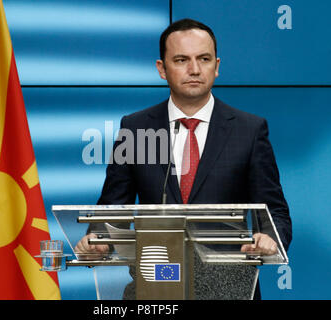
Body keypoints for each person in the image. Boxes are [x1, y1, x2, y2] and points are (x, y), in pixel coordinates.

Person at [75, 18, 292, 299]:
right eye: (181, 60)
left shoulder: (248, 130)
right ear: (162, 69)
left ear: (217, 66)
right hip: (154, 285)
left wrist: (271, 238)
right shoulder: (136, 128)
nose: (194, 69)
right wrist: (100, 239)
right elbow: (112, 207)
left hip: (230, 289)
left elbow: (274, 210)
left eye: (204, 59)